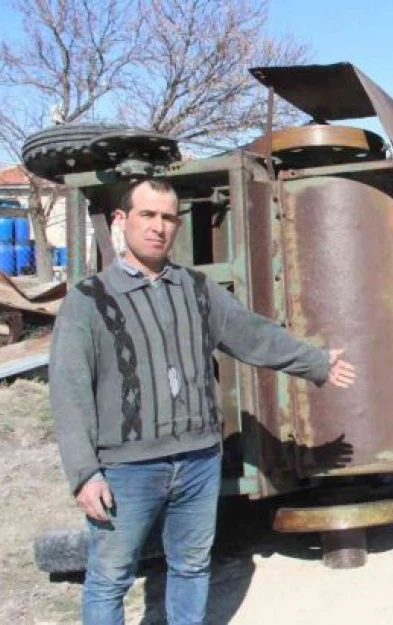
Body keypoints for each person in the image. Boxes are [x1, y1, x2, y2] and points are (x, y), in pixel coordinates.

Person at [49, 178, 356, 625]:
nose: (158, 227)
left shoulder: (197, 289)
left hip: (197, 461)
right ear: (122, 220)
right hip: (127, 469)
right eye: (147, 215)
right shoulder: (88, 301)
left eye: (168, 217)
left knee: (191, 566)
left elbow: (252, 335)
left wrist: (314, 362)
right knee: (110, 577)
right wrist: (84, 473)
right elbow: (69, 391)